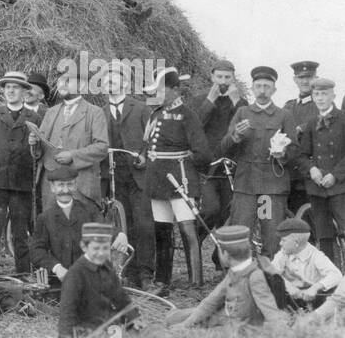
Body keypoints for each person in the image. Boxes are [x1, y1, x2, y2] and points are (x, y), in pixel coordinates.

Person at [141, 66, 211, 290]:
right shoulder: (156, 113)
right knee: (162, 231)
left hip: (180, 180)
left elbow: (203, 153)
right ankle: (162, 281)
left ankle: (196, 284)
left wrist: (188, 164)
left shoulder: (187, 115)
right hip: (157, 181)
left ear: (174, 90)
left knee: (187, 231)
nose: (156, 95)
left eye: (161, 90)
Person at [223, 65, 294, 257]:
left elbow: (294, 151)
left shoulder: (284, 115)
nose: (262, 91)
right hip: (246, 186)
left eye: (267, 86)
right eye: (259, 86)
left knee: (271, 236)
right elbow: (224, 147)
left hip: (271, 187)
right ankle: (240, 280)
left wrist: (283, 154)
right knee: (241, 235)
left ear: (274, 90)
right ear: (253, 88)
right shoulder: (242, 113)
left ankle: (272, 279)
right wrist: (236, 136)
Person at [168, 224, 290, 331]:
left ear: (224, 254)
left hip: (239, 326)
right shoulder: (234, 272)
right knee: (173, 318)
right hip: (224, 315)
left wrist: (284, 332)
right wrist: (185, 324)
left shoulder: (255, 276)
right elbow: (211, 302)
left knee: (180, 320)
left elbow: (270, 310)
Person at [0, 71, 40, 275]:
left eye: (16, 87)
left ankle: (23, 273)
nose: (11, 91)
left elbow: (40, 151)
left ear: (24, 92)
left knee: (20, 232)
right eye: (8, 88)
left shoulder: (34, 118)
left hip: (21, 183)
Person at [187, 59, 246, 255]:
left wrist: (237, 102)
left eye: (227, 77)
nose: (223, 81)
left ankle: (219, 258)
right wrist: (209, 102)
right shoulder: (199, 99)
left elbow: (244, 127)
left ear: (233, 78)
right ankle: (193, 242)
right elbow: (194, 128)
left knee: (227, 213)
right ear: (212, 77)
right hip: (207, 167)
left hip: (230, 166)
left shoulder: (241, 102)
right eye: (219, 76)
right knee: (211, 209)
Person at [103, 69, 154, 288]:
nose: (109, 84)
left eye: (113, 80)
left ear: (124, 84)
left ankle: (145, 274)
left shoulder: (141, 108)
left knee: (143, 224)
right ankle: (126, 271)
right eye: (106, 82)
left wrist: (144, 156)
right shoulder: (100, 112)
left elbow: (152, 139)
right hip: (114, 176)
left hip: (138, 176)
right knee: (122, 225)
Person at [30, 72, 108, 208]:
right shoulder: (51, 112)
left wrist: (73, 155)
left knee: (79, 226)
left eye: (67, 81)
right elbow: (39, 151)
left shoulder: (95, 113)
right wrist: (34, 143)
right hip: (51, 186)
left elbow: (102, 147)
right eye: (59, 82)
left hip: (81, 185)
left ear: (81, 85)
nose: (61, 85)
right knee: (52, 225)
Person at [58, 222, 138, 338]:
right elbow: (67, 309)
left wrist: (133, 318)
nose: (100, 253)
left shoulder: (107, 268)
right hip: (85, 329)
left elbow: (120, 297)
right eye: (96, 248)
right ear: (84, 247)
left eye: (105, 248)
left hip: (110, 326)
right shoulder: (75, 274)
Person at [295, 77, 345, 261]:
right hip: (318, 189)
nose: (320, 98)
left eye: (324, 94)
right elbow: (301, 156)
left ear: (333, 95)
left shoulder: (344, 119)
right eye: (316, 94)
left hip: (341, 187)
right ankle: (330, 279)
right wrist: (312, 169)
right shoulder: (310, 123)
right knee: (323, 235)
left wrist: (335, 175)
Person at [30, 167, 101, 289]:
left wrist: (120, 235)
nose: (65, 190)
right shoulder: (45, 218)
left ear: (75, 186)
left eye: (69, 185)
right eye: (60, 185)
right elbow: (36, 251)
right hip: (59, 284)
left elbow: (103, 229)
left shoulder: (89, 211)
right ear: (53, 188)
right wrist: (56, 267)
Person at [270, 216, 342, 310]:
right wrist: (288, 286)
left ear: (296, 242)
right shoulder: (283, 253)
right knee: (270, 282)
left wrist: (315, 288)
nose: (280, 243)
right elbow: (270, 271)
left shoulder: (316, 256)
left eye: (283, 240)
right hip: (291, 298)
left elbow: (336, 275)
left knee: (333, 289)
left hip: (314, 298)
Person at [283, 60, 322, 217]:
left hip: (313, 175)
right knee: (292, 221)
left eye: (310, 77)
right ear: (295, 80)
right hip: (290, 175)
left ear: (316, 78)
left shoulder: (322, 104)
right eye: (301, 77)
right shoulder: (288, 106)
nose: (305, 81)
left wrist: (302, 128)